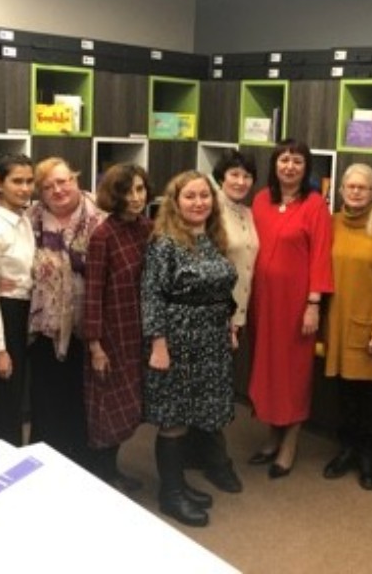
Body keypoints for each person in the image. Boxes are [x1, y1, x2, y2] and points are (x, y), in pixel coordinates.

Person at [141, 171, 238, 527]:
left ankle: (179, 483)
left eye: (204, 196)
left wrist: (229, 325)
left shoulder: (211, 237)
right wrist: (158, 344)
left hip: (210, 340)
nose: (199, 203)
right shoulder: (164, 243)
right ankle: (170, 495)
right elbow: (151, 295)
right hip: (177, 341)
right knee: (173, 418)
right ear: (175, 202)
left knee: (193, 413)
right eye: (190, 196)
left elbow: (220, 289)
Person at [248, 139, 333, 478]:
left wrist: (313, 304)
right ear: (274, 164)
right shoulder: (260, 200)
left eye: (297, 161)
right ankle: (273, 433)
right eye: (284, 159)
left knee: (294, 372)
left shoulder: (315, 204)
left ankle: (290, 442)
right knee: (267, 368)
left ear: (306, 167)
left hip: (296, 303)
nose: (290, 166)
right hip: (261, 300)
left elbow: (321, 256)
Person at [321, 164, 372, 491]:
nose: (356, 192)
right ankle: (347, 451)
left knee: (370, 401)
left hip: (371, 331)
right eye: (351, 186)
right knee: (345, 397)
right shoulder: (331, 223)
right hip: (337, 327)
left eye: (363, 187)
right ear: (341, 190)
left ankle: (367, 457)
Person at [184, 149, 259, 493]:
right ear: (221, 177)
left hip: (236, 312)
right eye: (234, 175)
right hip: (213, 315)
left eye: (247, 176)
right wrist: (225, 319)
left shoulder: (247, 212)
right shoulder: (209, 211)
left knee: (208, 386)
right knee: (213, 390)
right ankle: (217, 462)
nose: (241, 181)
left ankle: (195, 452)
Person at [27, 157, 106, 467]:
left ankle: (84, 465)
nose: (57, 190)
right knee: (47, 399)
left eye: (63, 181)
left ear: (76, 180)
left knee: (84, 399)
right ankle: (45, 463)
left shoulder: (100, 217)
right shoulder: (31, 218)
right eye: (48, 187)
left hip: (90, 324)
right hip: (45, 326)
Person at [82, 163, 152, 494]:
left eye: (140, 189)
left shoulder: (148, 229)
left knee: (129, 404)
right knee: (108, 407)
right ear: (114, 195)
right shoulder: (103, 236)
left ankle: (110, 470)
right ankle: (103, 475)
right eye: (127, 191)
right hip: (111, 334)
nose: (135, 197)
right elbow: (93, 293)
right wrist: (95, 345)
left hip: (139, 331)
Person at [0, 153, 35, 446]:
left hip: (26, 312)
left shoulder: (25, 219)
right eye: (17, 181)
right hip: (5, 315)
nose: (25, 188)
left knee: (18, 400)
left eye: (29, 181)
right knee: (3, 401)